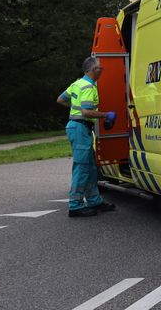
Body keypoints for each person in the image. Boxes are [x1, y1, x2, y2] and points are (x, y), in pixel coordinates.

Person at [56, 57, 117, 217]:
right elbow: (86, 112)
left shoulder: (77, 84)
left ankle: (94, 201)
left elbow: (61, 99)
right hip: (80, 128)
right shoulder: (88, 86)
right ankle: (75, 206)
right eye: (100, 68)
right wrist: (105, 115)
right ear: (92, 70)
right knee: (82, 168)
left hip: (78, 127)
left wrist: (73, 110)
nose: (101, 71)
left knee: (90, 167)